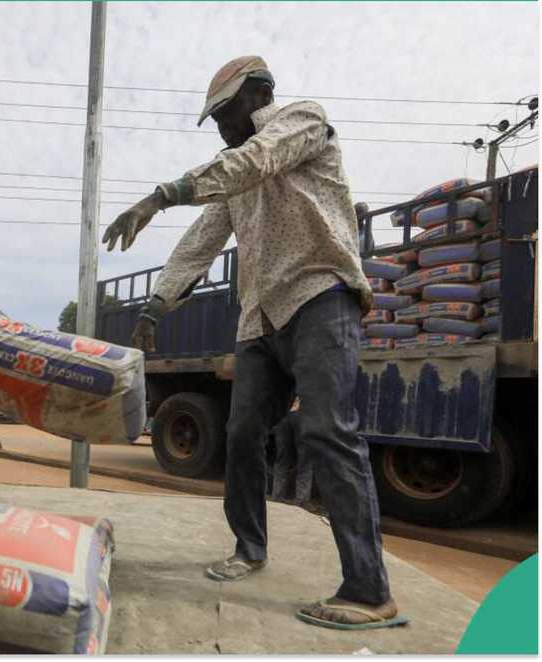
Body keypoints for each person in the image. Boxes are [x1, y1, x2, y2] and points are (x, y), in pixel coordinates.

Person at [102, 56, 407, 630]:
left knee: (327, 431)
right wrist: (153, 306)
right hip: (261, 317)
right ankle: (249, 546)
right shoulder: (230, 175)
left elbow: (257, 159)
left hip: (321, 297)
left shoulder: (301, 121)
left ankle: (369, 591)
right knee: (242, 431)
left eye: (224, 112)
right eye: (213, 119)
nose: (220, 127)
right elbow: (200, 242)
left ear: (259, 94)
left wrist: (161, 194)